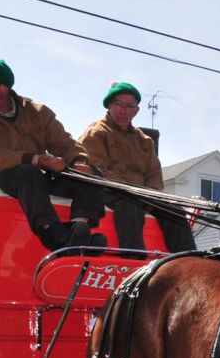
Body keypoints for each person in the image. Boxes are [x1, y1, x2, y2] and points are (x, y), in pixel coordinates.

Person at [0, 55, 107, 251]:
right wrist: (37, 160)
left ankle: (78, 232)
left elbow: (64, 143)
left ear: (3, 87)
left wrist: (79, 161)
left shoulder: (37, 112)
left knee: (92, 175)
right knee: (28, 172)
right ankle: (54, 235)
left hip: (34, 175)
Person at [78, 82, 195, 253]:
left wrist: (149, 195)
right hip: (107, 192)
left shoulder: (144, 141)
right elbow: (97, 171)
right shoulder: (96, 133)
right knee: (129, 205)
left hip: (141, 196)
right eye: (118, 104)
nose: (123, 110)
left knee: (174, 211)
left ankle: (187, 260)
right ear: (109, 105)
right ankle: (134, 258)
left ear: (136, 111)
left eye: (129, 106)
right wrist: (132, 192)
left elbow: (154, 175)